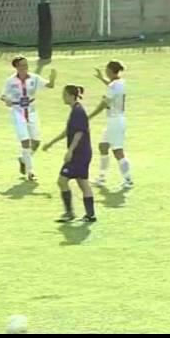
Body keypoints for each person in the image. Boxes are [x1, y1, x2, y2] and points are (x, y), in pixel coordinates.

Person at [42, 85, 96, 223]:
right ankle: (90, 215)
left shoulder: (78, 111)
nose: (63, 97)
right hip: (83, 153)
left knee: (62, 181)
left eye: (65, 94)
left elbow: (79, 133)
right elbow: (68, 132)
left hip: (79, 154)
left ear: (72, 96)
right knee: (83, 183)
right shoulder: (75, 110)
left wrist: (70, 151)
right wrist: (51, 142)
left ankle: (69, 213)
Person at [0, 55, 57, 181]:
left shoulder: (34, 78)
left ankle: (23, 159)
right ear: (16, 67)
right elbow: (3, 95)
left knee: (36, 142)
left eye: (26, 65)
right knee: (25, 141)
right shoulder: (10, 81)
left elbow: (49, 85)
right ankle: (30, 171)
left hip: (31, 111)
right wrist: (7, 99)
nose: (25, 67)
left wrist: (52, 78)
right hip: (17, 111)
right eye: (22, 65)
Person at [87, 60, 133, 189]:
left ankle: (128, 179)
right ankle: (101, 178)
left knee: (118, 151)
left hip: (115, 121)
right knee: (103, 146)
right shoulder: (119, 83)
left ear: (111, 71)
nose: (105, 72)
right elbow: (111, 86)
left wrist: (89, 117)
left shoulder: (114, 86)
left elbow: (104, 104)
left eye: (107, 70)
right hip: (115, 120)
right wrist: (102, 79)